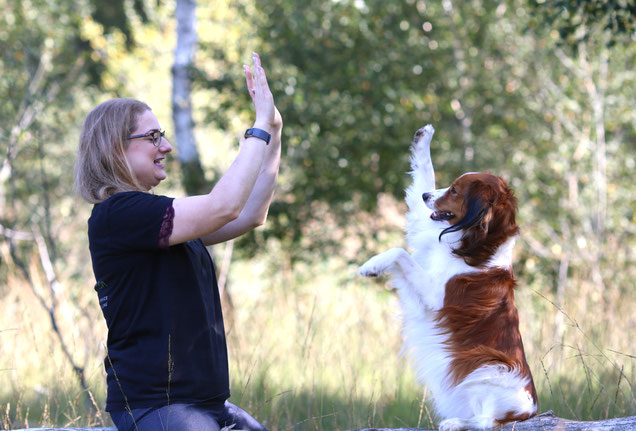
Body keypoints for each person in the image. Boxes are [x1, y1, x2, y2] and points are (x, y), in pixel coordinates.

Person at [74, 52, 282, 431]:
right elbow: (223, 206)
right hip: (156, 406)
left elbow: (250, 213)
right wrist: (258, 130)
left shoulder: (157, 220)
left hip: (207, 405)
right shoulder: (119, 215)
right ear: (114, 148)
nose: (165, 147)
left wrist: (275, 130)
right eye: (152, 137)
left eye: (163, 136)